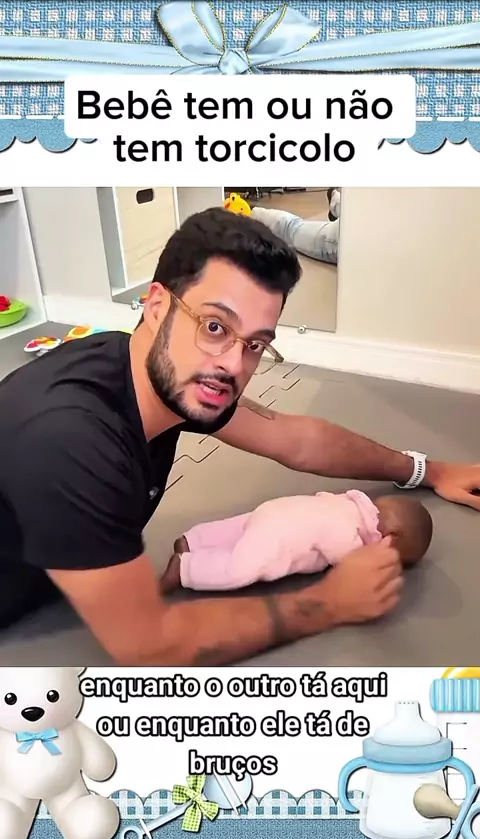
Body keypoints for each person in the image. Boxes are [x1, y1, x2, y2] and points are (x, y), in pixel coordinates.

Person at [0, 208, 479, 666]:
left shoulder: (152, 366)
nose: (233, 363)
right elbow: (150, 645)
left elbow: (294, 438)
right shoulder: (69, 442)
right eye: (215, 327)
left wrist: (427, 469)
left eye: (255, 344)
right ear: (157, 306)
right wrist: (329, 602)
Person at [160, 491, 433, 593]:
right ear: (391, 537)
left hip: (274, 509)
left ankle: (193, 540)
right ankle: (185, 568)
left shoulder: (347, 502)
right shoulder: (350, 536)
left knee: (237, 529)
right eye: (397, 558)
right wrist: (366, 564)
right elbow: (349, 564)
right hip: (279, 535)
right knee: (240, 568)